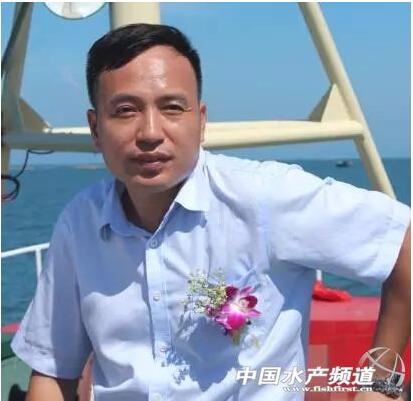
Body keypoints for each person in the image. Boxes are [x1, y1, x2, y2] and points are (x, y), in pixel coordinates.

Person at [11, 23, 410, 401]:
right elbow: (53, 369)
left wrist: (382, 385)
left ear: (200, 121)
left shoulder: (264, 199)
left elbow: (403, 242)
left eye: (172, 108)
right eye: (126, 110)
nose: (150, 133)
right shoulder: (80, 224)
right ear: (96, 129)